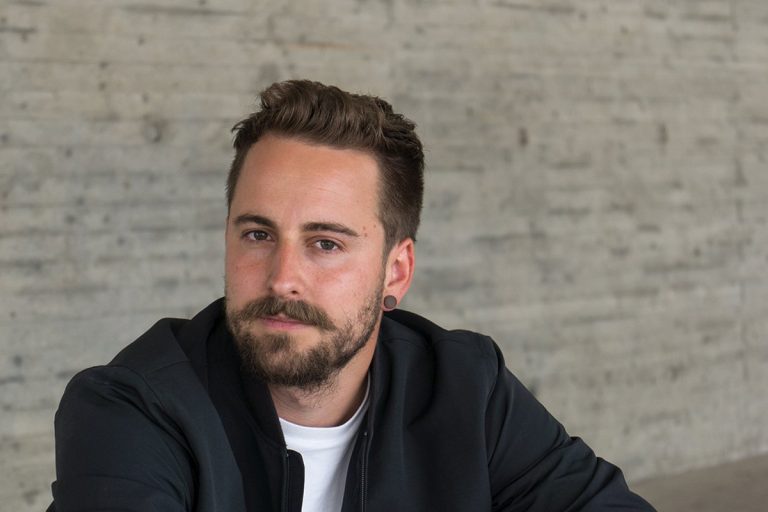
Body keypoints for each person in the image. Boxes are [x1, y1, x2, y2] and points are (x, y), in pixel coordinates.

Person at [48, 80, 655, 511]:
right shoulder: (132, 408)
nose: (282, 278)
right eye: (258, 234)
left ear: (396, 271)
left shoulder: (466, 388)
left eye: (326, 244)